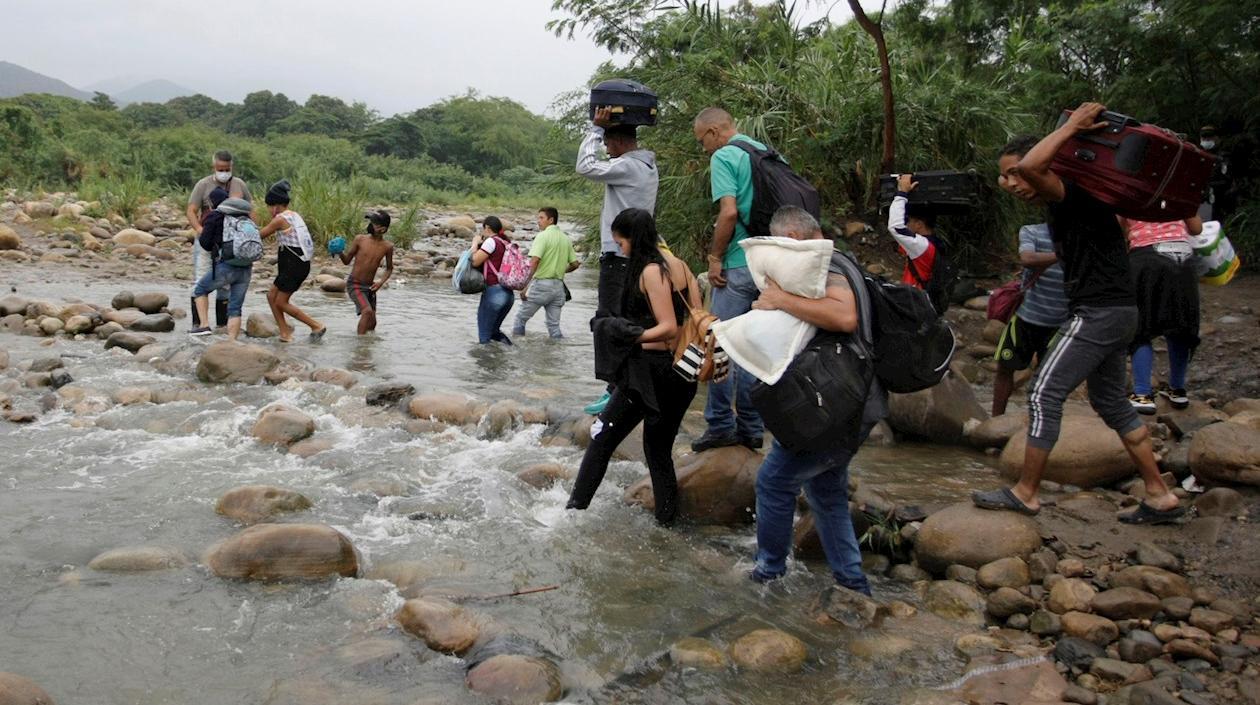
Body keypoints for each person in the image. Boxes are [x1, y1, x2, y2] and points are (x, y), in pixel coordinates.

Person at [973, 104, 1183, 525]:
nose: (1010, 182)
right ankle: (1159, 494)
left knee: (1041, 394)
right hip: (1118, 311)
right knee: (1110, 401)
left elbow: (1036, 166)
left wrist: (1070, 127)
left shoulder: (1069, 191)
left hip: (1098, 313)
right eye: (1005, 175)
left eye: (1016, 173)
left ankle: (1026, 493)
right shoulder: (1083, 199)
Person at [747, 206, 885, 594]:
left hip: (838, 406)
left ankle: (768, 575)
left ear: (790, 240)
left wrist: (778, 299)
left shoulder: (825, 266)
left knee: (774, 483)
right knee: (826, 491)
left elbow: (843, 318)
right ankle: (852, 582)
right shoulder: (846, 261)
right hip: (857, 399)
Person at [566, 208, 700, 525]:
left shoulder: (652, 271)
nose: (621, 250)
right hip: (683, 372)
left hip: (652, 374)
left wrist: (627, 336)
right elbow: (693, 320)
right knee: (657, 450)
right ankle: (667, 523)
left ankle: (572, 514)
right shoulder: (680, 266)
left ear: (632, 239)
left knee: (601, 439)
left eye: (621, 243)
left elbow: (668, 328)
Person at [690, 106, 765, 452]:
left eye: (701, 141)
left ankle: (720, 424)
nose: (703, 149)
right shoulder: (763, 151)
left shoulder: (724, 156)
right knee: (752, 350)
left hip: (737, 263)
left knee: (720, 346)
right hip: (769, 266)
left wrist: (715, 257)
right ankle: (751, 428)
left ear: (714, 132)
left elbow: (730, 212)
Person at [576, 107, 660, 413]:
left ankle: (616, 390)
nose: (607, 151)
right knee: (626, 320)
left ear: (620, 142)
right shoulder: (649, 166)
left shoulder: (628, 166)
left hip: (618, 256)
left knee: (609, 321)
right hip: (637, 256)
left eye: (609, 144)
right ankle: (622, 386)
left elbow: (584, 166)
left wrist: (595, 129)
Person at [1121, 215, 1203, 413]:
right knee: (1181, 325)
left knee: (1142, 325)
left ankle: (1142, 394)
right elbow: (1196, 228)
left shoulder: (1128, 187)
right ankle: (1178, 389)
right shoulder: (1179, 189)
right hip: (1183, 257)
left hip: (1145, 257)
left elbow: (1119, 226)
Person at [991, 223, 1070, 416]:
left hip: (1059, 324)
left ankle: (1038, 423)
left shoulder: (1081, 237)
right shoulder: (1031, 231)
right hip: (1025, 319)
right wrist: (1062, 254)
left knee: (1048, 380)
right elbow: (1027, 258)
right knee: (1004, 369)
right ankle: (995, 422)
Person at [186, 150, 252, 331]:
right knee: (201, 280)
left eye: (227, 168)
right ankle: (198, 324)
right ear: (213, 167)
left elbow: (250, 210)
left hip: (230, 244)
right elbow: (191, 210)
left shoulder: (239, 185)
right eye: (220, 168)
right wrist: (199, 230)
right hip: (206, 240)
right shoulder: (203, 184)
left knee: (225, 285)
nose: (224, 172)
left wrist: (251, 232)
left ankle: (222, 326)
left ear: (232, 167)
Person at [257, 180, 325, 342]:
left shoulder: (279, 219)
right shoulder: (294, 215)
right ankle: (284, 332)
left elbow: (259, 235)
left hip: (294, 266)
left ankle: (316, 325)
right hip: (296, 264)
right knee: (271, 296)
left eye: (268, 206)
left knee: (281, 301)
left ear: (275, 206)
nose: (268, 210)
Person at [190, 194, 253, 341]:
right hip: (246, 267)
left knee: (200, 289)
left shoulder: (216, 216)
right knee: (235, 308)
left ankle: (204, 325)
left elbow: (205, 242)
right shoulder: (246, 219)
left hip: (227, 265)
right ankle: (231, 341)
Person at [512, 207, 578, 339]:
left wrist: (525, 286)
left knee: (520, 319)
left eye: (541, 218)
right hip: (558, 288)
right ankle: (558, 353)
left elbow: (535, 261)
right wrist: (560, 270)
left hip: (541, 285)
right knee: (554, 326)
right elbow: (575, 264)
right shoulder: (565, 239)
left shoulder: (542, 236)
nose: (538, 221)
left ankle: (517, 351)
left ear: (551, 220)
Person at [337, 210, 395, 335]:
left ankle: (367, 347)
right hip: (355, 284)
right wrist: (340, 252)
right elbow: (347, 261)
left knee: (372, 323)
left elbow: (389, 268)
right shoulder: (360, 239)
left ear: (383, 228)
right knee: (367, 312)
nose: (372, 225)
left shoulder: (387, 246)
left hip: (370, 287)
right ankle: (360, 349)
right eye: (372, 222)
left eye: (375, 223)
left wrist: (380, 282)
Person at [886, 174, 942, 289]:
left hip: (916, 301)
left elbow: (896, 227)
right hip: (922, 299)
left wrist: (902, 194)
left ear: (919, 224)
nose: (906, 224)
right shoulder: (934, 243)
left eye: (908, 220)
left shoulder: (922, 246)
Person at [470, 216, 515, 345]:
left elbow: (475, 261)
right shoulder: (506, 243)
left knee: (484, 337)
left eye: (483, 229)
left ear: (487, 228)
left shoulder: (491, 242)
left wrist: (474, 244)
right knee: (494, 332)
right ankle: (512, 352)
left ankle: (486, 363)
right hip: (508, 295)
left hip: (494, 292)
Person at [1198, 126, 1236, 222]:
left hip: (1219, 201)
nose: (1206, 140)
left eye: (1209, 138)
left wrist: (1208, 186)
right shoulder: (1198, 156)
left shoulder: (1223, 158)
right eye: (1204, 138)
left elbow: (1227, 181)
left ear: (1217, 138)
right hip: (1200, 202)